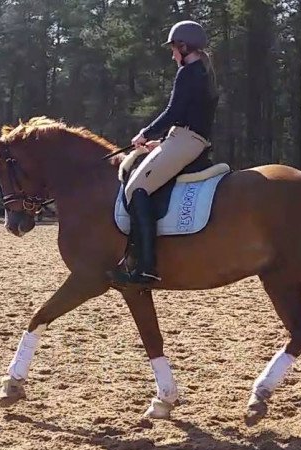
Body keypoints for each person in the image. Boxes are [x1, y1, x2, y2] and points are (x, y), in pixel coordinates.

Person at [112, 20, 219, 286]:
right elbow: (186, 114)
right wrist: (160, 143)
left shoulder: (188, 72)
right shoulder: (204, 71)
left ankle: (145, 266)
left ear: (184, 46)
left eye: (173, 49)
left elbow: (173, 113)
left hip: (185, 139)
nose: (172, 55)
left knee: (136, 189)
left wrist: (145, 134)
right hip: (186, 138)